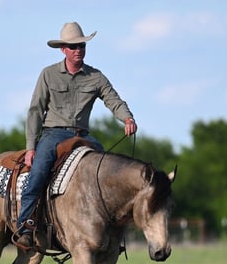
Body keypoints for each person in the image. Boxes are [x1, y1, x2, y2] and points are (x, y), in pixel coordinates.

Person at [13, 21, 138, 249]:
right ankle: (26, 226)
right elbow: (35, 111)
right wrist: (31, 147)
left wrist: (127, 118)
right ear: (63, 49)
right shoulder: (48, 75)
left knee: (106, 173)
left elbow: (114, 100)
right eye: (73, 47)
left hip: (83, 136)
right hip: (53, 135)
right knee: (38, 174)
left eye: (81, 46)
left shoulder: (96, 77)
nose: (78, 50)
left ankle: (111, 234)